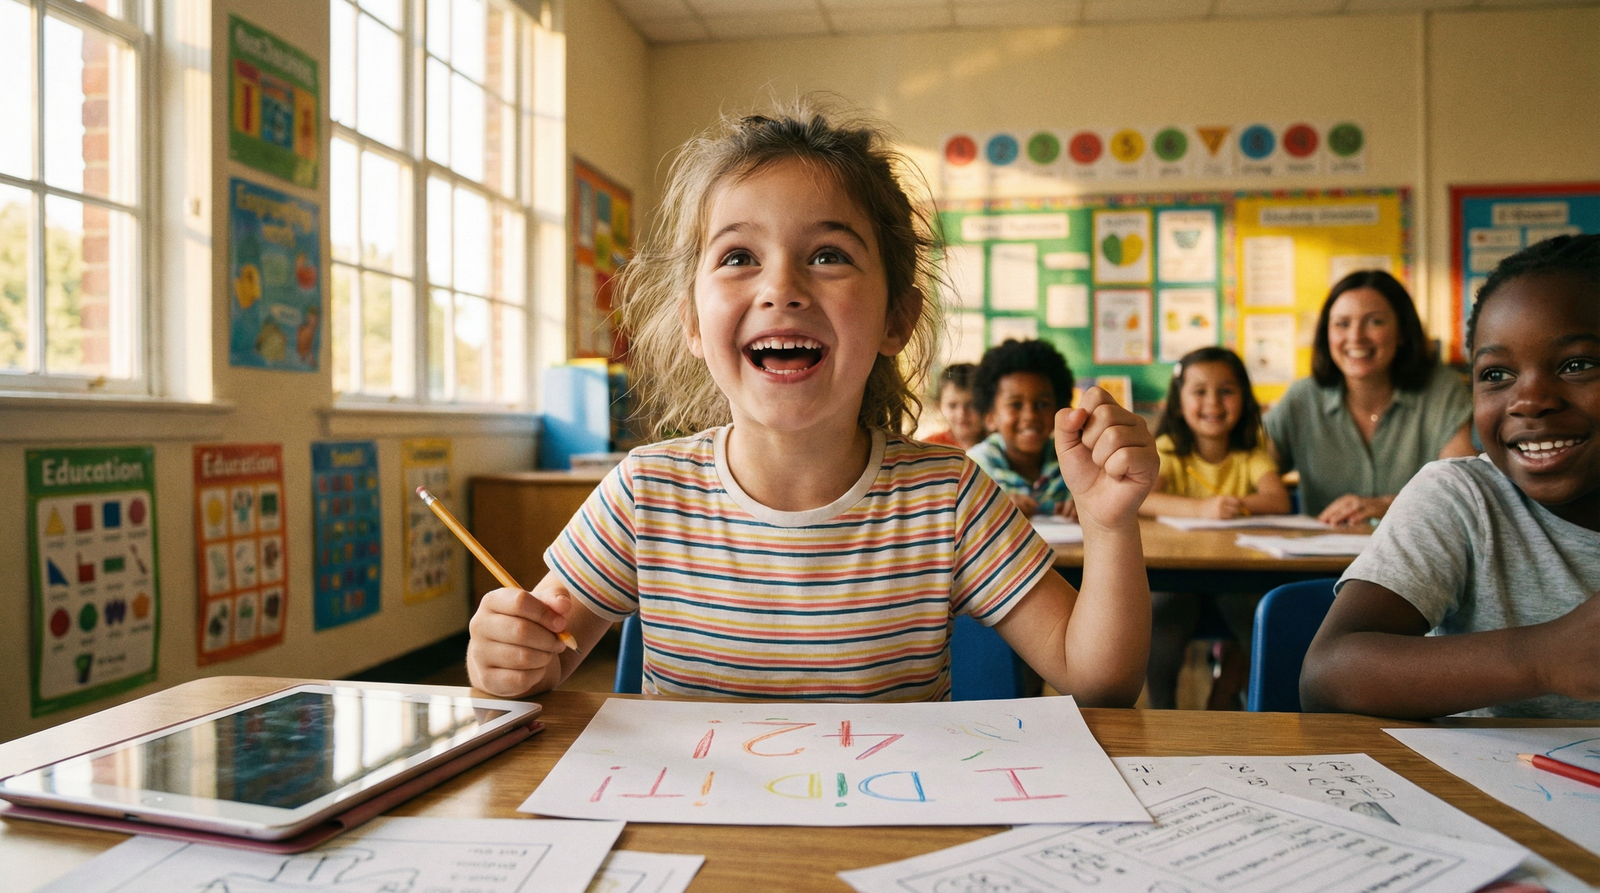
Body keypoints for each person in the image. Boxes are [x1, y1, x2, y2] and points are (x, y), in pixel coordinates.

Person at [465, 101, 1158, 703]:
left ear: (896, 319)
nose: (782, 287)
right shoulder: (645, 494)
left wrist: (1108, 524)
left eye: (828, 255)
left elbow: (1097, 678)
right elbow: (540, 657)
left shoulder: (947, 498)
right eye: (739, 257)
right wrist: (507, 655)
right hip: (697, 839)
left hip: (888, 836)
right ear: (693, 324)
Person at [1302, 234, 1600, 719]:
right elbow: (1327, 677)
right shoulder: (1464, 499)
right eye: (1496, 375)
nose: (1530, 400)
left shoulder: (1433, 392)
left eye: (1577, 365)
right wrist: (1545, 657)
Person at [1140, 347, 1291, 709]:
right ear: (1178, 403)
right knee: (1162, 616)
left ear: (1243, 398)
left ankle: (1259, 709)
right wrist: (1201, 509)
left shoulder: (1248, 453)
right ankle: (1160, 713)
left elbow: (1278, 500)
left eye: (1226, 390)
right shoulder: (1169, 451)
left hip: (1236, 575)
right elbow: (1143, 499)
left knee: (1259, 616)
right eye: (1199, 391)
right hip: (1176, 577)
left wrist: (1236, 505)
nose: (1213, 403)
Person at [1264, 270, 1475, 526]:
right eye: (1342, 324)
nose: (1356, 337)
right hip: (1317, 561)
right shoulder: (1302, 398)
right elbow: (1247, 470)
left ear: (1402, 333)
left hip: (1418, 562)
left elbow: (1461, 486)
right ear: (1326, 336)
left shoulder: (1441, 390)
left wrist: (1386, 505)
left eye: (1374, 322)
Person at [968, 339, 1077, 518]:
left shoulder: (1073, 462)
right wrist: (993, 507)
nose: (1030, 416)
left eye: (1043, 404)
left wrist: (1090, 509)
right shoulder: (974, 469)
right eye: (1016, 405)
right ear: (990, 417)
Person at [923, 362, 984, 449]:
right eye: (952, 405)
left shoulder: (1002, 445)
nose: (961, 413)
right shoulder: (929, 447)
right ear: (939, 406)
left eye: (971, 405)